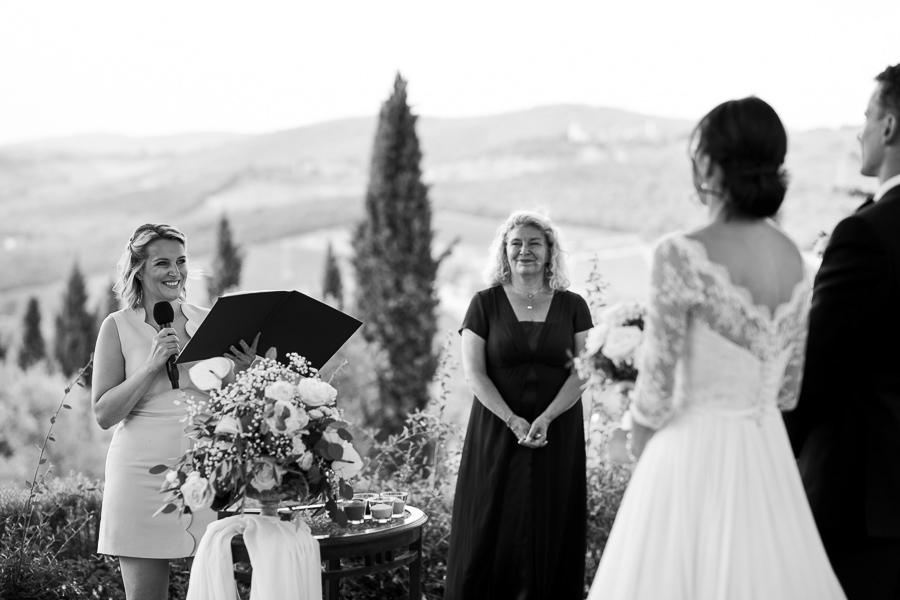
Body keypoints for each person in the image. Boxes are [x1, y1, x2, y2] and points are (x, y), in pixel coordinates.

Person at [588, 98, 846, 599]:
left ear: (707, 162)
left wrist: (638, 444)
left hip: (691, 454)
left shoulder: (680, 253)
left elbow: (657, 391)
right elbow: (788, 391)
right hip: (765, 453)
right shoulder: (794, 258)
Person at [92, 223, 259, 600]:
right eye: (162, 263)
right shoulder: (116, 327)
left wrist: (247, 370)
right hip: (140, 478)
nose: (175, 271)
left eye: (181, 261)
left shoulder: (210, 319)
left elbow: (233, 401)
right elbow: (104, 413)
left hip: (208, 474)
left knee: (219, 592)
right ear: (138, 269)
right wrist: (151, 365)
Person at [784, 64, 900, 599]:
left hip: (869, 504)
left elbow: (816, 369)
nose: (859, 131)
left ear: (889, 127)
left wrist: (763, 455)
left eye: (866, 117)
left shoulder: (868, 234)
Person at [445, 210, 592, 600]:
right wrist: (512, 420)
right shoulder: (484, 303)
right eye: (516, 243)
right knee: (489, 524)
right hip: (496, 430)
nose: (524, 250)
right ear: (504, 252)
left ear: (549, 252)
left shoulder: (574, 305)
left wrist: (545, 417)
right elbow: (474, 374)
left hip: (557, 431)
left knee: (552, 522)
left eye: (534, 243)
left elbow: (582, 371)